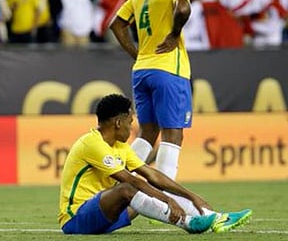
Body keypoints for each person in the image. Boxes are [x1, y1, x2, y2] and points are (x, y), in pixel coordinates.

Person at [58, 93, 252, 235]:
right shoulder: (92, 143)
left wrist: (191, 196)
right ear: (118, 123)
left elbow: (153, 176)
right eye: (129, 121)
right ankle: (188, 223)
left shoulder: (120, 147)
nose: (131, 126)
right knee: (128, 188)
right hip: (76, 219)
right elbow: (130, 182)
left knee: (150, 192)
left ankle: (214, 217)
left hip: (104, 218)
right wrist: (168, 200)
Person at [109, 0, 192, 180]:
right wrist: (174, 34)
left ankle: (117, 183)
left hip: (142, 69)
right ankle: (167, 198)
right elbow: (184, 8)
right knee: (173, 134)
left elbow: (117, 24)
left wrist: (138, 54)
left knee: (147, 133)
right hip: (169, 69)